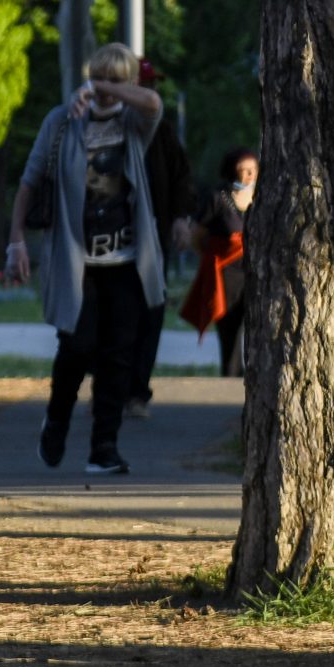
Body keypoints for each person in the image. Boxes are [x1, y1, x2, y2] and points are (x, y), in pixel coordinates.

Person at [9, 42, 166, 474]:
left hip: (125, 261)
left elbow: (153, 101)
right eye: (99, 78)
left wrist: (106, 87)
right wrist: (16, 240)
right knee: (77, 348)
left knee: (118, 355)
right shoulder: (63, 121)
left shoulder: (134, 123)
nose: (105, 91)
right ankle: (56, 421)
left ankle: (104, 448)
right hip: (76, 260)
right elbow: (30, 180)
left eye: (117, 81)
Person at [127, 57, 192, 419]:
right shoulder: (109, 127)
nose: (150, 93)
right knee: (115, 318)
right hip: (113, 239)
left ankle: (137, 392)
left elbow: (182, 176)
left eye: (152, 86)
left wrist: (181, 219)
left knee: (150, 313)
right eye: (142, 86)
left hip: (154, 237)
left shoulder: (163, 131)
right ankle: (112, 388)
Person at [180, 148, 258, 377]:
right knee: (230, 332)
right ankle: (231, 379)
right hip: (227, 276)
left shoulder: (266, 195)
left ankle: (254, 376)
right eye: (242, 171)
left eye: (252, 171)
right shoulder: (218, 198)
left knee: (256, 328)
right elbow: (198, 235)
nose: (248, 176)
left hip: (256, 275)